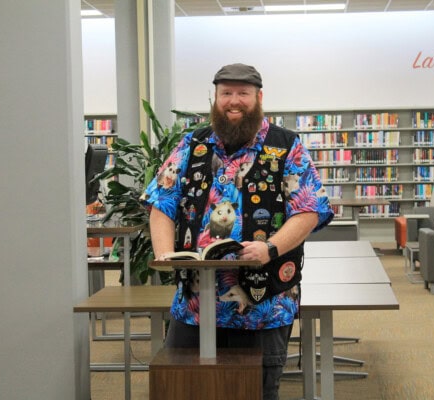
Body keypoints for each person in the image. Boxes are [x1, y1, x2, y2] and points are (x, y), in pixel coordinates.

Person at [142, 63, 334, 399]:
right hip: (193, 306)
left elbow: (308, 211)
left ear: (259, 98)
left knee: (255, 392)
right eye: (226, 93)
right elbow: (161, 202)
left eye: (243, 93)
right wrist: (164, 253)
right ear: (214, 98)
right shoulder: (192, 144)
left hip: (263, 307)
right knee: (185, 390)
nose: (234, 101)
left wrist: (270, 249)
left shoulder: (287, 146)